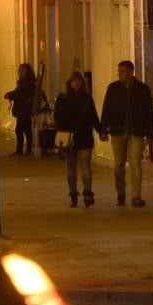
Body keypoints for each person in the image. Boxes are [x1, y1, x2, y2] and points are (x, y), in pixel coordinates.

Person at [101, 60, 153, 207]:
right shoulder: (113, 88)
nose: (119, 74)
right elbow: (106, 108)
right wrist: (103, 129)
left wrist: (150, 132)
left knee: (135, 163)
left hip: (136, 131)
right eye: (118, 71)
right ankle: (121, 193)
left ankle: (136, 196)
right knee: (118, 165)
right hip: (117, 131)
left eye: (122, 71)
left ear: (131, 72)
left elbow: (149, 112)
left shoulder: (143, 90)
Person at [55, 72, 105, 208]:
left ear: (82, 83)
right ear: (69, 83)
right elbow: (58, 118)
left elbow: (93, 117)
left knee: (84, 165)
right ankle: (74, 193)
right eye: (74, 81)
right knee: (72, 167)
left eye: (79, 81)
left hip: (81, 136)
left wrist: (101, 130)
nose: (76, 84)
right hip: (71, 137)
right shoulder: (65, 98)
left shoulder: (86, 98)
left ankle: (86, 193)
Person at [4, 63, 38, 156]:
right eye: (19, 70)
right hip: (23, 109)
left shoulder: (28, 83)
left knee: (19, 129)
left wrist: (11, 95)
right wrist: (10, 94)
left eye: (22, 71)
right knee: (26, 129)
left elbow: (22, 95)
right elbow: (17, 92)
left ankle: (21, 150)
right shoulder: (22, 82)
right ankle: (27, 150)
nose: (19, 72)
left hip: (25, 110)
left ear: (27, 72)